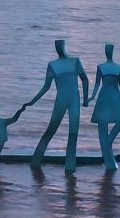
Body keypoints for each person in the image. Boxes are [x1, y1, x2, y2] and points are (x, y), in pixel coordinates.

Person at [26, 40, 91, 171]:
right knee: (51, 128)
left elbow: (84, 79)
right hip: (61, 98)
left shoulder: (75, 61)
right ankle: (36, 160)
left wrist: (85, 99)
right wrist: (32, 101)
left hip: (74, 99)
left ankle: (70, 164)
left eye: (59, 45)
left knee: (73, 132)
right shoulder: (53, 65)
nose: (58, 47)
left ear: (63, 45)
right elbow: (46, 87)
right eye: (56, 45)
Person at [85, 44, 120, 170]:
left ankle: (108, 142)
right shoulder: (100, 67)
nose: (108, 51)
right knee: (102, 124)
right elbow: (96, 83)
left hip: (115, 97)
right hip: (103, 97)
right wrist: (92, 97)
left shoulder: (118, 68)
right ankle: (108, 156)